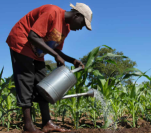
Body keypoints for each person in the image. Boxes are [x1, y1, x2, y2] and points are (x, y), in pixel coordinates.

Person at [6, 2, 93, 133]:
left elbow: (56, 50)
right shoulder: (52, 12)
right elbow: (32, 36)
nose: (81, 28)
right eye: (82, 24)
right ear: (76, 15)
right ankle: (28, 126)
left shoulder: (66, 28)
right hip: (22, 43)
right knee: (26, 82)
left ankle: (47, 123)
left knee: (43, 84)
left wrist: (71, 60)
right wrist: (54, 55)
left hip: (37, 52)